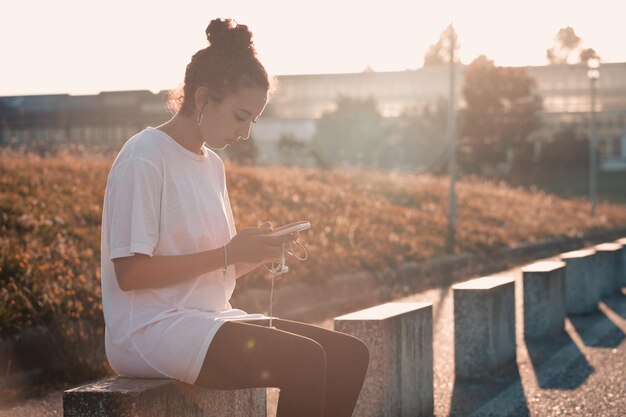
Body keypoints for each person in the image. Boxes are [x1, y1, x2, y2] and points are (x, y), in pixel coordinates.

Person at [100, 18, 369, 417]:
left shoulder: (212, 165)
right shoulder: (144, 156)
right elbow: (131, 274)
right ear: (203, 99)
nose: (245, 133)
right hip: (150, 331)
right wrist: (228, 253)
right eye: (240, 116)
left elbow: (211, 273)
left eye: (252, 121)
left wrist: (254, 253)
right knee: (306, 361)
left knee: (349, 354)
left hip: (206, 319)